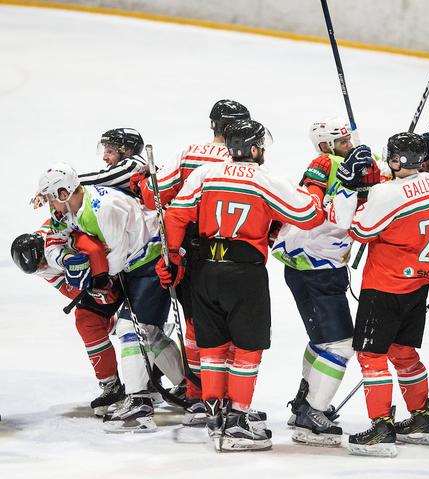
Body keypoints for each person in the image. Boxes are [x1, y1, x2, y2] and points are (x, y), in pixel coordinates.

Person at [158, 119, 325, 452]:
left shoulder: (205, 174)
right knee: (247, 347)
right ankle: (237, 419)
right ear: (252, 149)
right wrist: (316, 186)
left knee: (214, 345)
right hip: (243, 274)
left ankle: (215, 412)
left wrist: (172, 259)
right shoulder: (266, 181)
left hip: (205, 271)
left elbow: (175, 215)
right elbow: (309, 216)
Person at [37, 163, 184, 433]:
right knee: (146, 331)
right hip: (136, 266)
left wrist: (99, 276)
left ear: (63, 192)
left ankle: (140, 404)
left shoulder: (104, 207)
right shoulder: (70, 208)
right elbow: (55, 240)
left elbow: (117, 254)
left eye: (49, 197)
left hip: (149, 263)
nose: (48, 203)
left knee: (133, 328)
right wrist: (69, 259)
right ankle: (188, 389)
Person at [131, 99, 251, 426]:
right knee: (236, 332)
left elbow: (155, 194)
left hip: (190, 253)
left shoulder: (188, 153)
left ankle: (201, 399)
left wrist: (141, 182)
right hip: (240, 257)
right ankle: (230, 399)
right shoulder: (245, 159)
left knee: (200, 329)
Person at [331, 132, 429, 457]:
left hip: (385, 286)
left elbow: (359, 230)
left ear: (395, 160)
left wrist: (351, 186)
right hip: (417, 284)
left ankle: (381, 427)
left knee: (371, 356)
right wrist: (374, 184)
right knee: (404, 353)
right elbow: (394, 194)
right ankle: (422, 418)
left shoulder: (385, 192)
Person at [271, 117, 375, 446]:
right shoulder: (323, 163)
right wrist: (353, 181)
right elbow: (312, 205)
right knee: (341, 345)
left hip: (318, 265)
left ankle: (305, 403)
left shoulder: (348, 163)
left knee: (323, 341)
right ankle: (312, 414)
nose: (349, 147)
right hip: (313, 266)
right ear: (326, 146)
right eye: (342, 142)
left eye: (349, 141)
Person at [11, 223, 124, 417]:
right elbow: (68, 289)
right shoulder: (39, 265)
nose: (43, 267)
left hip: (124, 259)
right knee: (86, 320)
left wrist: (98, 267)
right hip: (105, 280)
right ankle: (111, 384)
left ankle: (174, 376)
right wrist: (88, 284)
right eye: (38, 268)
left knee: (140, 325)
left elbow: (90, 235)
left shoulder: (56, 233)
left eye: (41, 262)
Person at [79, 128, 147, 191]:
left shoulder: (133, 165)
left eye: (110, 152)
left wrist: (72, 180)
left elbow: (102, 178)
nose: (104, 158)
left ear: (128, 152)